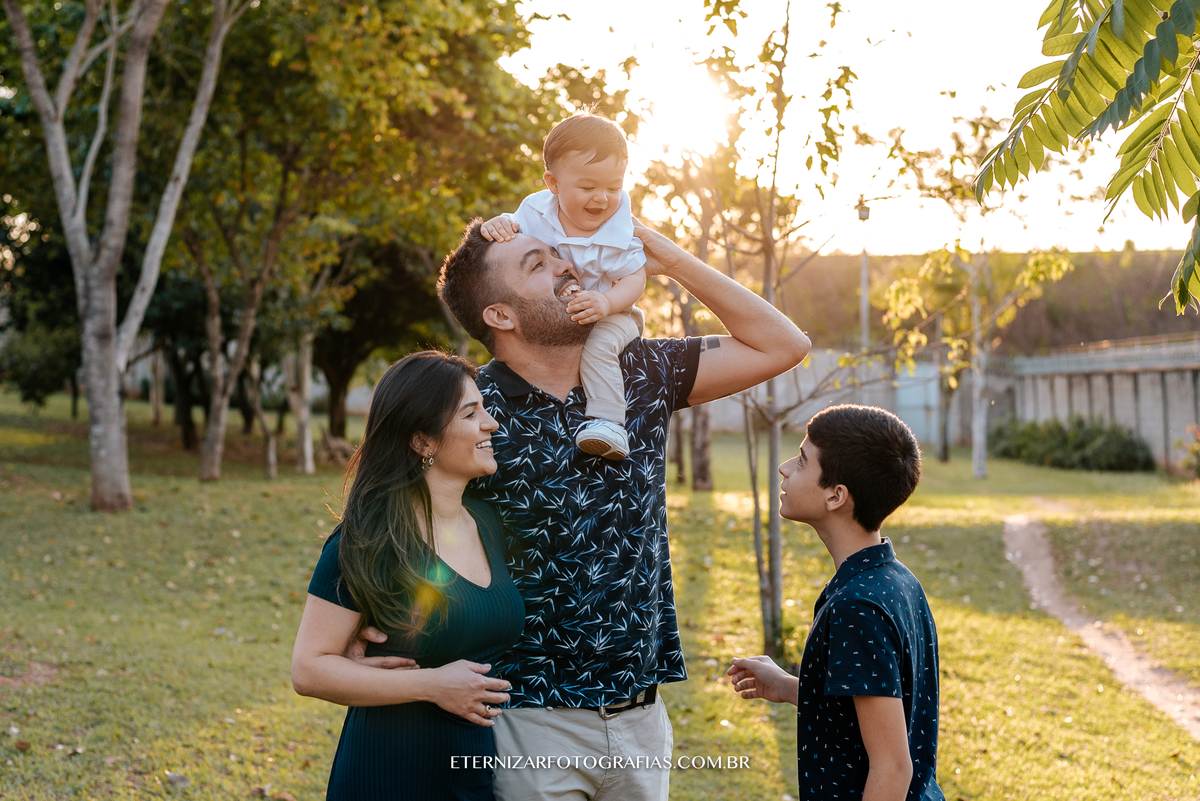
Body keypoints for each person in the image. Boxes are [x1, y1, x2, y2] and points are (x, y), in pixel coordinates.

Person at [422, 217, 810, 800]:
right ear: (499, 316)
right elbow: (407, 527)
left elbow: (785, 344)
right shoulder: (474, 410)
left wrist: (672, 259)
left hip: (642, 718)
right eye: (537, 264)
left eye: (557, 253)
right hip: (527, 718)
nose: (565, 265)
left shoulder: (641, 371)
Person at [291, 351, 525, 801]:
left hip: (471, 772)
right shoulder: (367, 540)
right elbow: (308, 668)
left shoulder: (488, 524)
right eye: (471, 413)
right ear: (423, 441)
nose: (491, 423)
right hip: (388, 775)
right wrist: (430, 685)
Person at [726, 404, 943, 801]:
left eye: (803, 461)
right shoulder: (894, 579)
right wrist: (793, 688)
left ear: (835, 496)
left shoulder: (856, 607)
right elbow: (869, 712)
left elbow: (892, 768)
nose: (785, 468)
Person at [478, 111, 646, 460]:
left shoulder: (618, 229)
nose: (602, 198)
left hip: (615, 312)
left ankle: (609, 422)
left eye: (614, 187)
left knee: (598, 347)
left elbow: (635, 277)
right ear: (553, 184)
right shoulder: (536, 212)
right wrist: (500, 223)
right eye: (587, 187)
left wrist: (608, 302)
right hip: (567, 314)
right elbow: (515, 228)